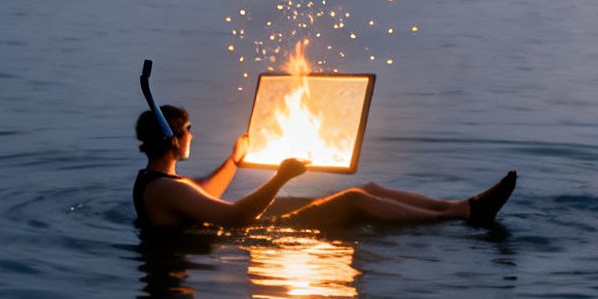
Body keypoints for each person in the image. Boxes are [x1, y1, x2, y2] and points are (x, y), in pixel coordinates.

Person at [133, 104, 515, 230]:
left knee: (370, 188)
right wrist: (280, 178)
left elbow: (204, 193)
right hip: (251, 237)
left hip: (242, 230)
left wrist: (235, 160)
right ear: (173, 140)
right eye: (188, 131)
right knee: (353, 199)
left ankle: (458, 205)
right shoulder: (168, 189)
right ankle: (465, 214)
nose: (192, 136)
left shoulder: (161, 182)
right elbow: (236, 219)